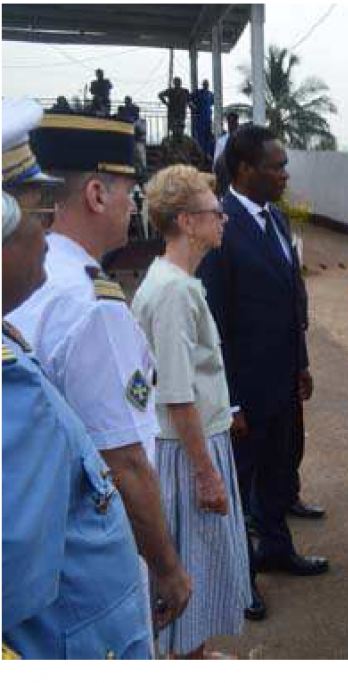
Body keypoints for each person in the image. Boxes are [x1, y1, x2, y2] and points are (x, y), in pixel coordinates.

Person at [8, 111, 192, 635]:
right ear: (95, 194)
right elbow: (126, 461)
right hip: (87, 567)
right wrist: (168, 568)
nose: (134, 205)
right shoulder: (91, 305)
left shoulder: (30, 277)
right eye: (129, 192)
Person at [197, 125, 328, 623]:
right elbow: (214, 324)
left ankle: (276, 549)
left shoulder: (274, 217)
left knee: (278, 475)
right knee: (239, 486)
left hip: (282, 380)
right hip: (244, 393)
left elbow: (290, 297)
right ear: (245, 169)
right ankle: (240, 577)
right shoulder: (219, 226)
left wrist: (301, 364)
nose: (284, 174)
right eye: (277, 166)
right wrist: (228, 401)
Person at [132, 165, 251, 658]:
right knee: (193, 559)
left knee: (200, 556)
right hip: (186, 450)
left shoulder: (175, 281)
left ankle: (194, 653)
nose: (223, 218)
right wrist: (206, 474)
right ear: (186, 221)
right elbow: (177, 394)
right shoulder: (175, 290)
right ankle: (186, 658)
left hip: (193, 441)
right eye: (214, 210)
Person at [213, 111, 241, 194]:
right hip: (225, 174)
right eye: (230, 122)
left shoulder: (242, 139)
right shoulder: (221, 141)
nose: (232, 125)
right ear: (228, 123)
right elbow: (216, 160)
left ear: (237, 123)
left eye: (234, 122)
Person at [190, 80, 215, 160]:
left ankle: (207, 154)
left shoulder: (210, 94)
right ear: (202, 85)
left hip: (208, 119)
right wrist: (193, 108)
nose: (205, 85)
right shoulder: (198, 92)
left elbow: (213, 102)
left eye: (207, 84)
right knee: (200, 137)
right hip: (199, 118)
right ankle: (200, 154)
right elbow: (189, 99)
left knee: (208, 137)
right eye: (204, 84)